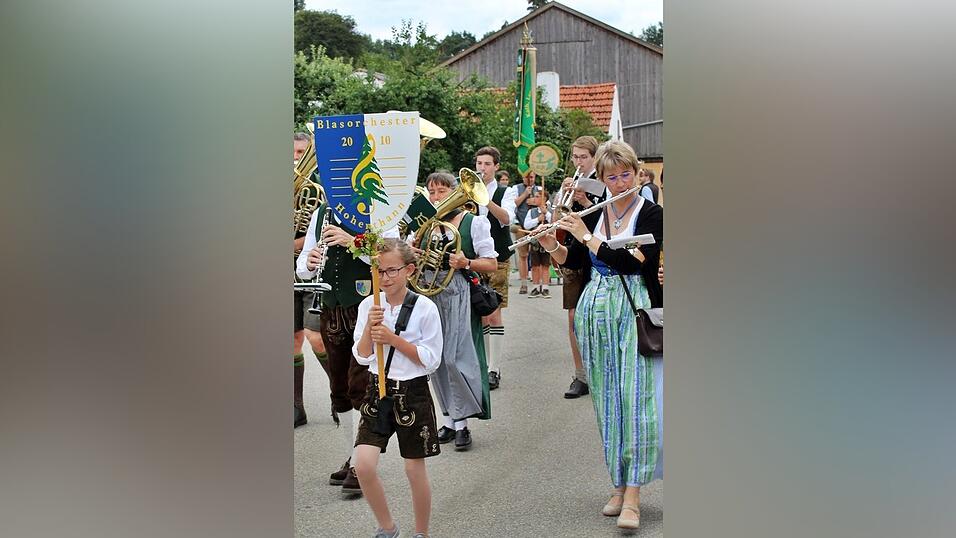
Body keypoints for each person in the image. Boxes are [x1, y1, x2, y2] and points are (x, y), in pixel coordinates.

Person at [538, 140, 663, 529]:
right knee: (607, 400)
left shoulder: (652, 214)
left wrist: (587, 235)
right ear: (603, 179)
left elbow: (630, 261)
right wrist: (550, 246)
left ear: (638, 174)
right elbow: (577, 261)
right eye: (613, 177)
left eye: (627, 174)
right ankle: (618, 483)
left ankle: (635, 495)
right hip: (596, 313)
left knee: (635, 398)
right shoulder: (596, 213)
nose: (621, 182)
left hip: (633, 309)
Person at [296, 202, 398, 496]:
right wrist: (311, 262)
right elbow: (302, 266)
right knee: (340, 385)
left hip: (366, 307)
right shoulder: (320, 213)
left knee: (361, 383)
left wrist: (351, 241)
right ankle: (353, 456)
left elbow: (391, 256)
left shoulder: (379, 209)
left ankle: (362, 464)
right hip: (331, 308)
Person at [352, 239, 444, 538]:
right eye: (379, 271)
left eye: (392, 270)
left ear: (409, 270)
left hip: (412, 392)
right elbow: (362, 354)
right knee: (363, 465)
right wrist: (370, 327)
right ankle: (387, 527)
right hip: (377, 389)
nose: (385, 277)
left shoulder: (425, 308)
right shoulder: (370, 304)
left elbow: (430, 360)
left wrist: (393, 340)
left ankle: (421, 532)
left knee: (413, 470)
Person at [414, 172, 497, 451]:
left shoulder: (475, 223)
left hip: (458, 292)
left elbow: (491, 264)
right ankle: (449, 420)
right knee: (435, 360)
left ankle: (463, 423)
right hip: (429, 293)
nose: (437, 197)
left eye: (442, 191)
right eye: (432, 192)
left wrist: (466, 262)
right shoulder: (425, 224)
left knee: (454, 357)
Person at [553, 135, 602, 398]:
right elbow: (557, 217)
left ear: (594, 157)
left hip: (595, 249)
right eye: (575, 157)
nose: (579, 162)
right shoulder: (571, 184)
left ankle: (599, 371)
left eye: (584, 157)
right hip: (573, 251)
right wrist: (564, 196)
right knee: (573, 316)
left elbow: (604, 219)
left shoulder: (601, 183)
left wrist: (584, 201)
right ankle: (580, 374)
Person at [292, 132, 329, 428]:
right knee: (290, 339)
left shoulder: (321, 190)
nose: (297, 158)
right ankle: (296, 406)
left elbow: (321, 228)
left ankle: (339, 394)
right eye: (293, 153)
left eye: (303, 152)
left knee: (315, 335)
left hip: (313, 266)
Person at [473, 146, 516, 391]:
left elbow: (506, 219)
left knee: (494, 312)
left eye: (487, 164)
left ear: (496, 167)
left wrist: (485, 200)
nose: (482, 168)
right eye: (479, 163)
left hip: (497, 258)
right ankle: (482, 364)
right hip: (473, 258)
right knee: (479, 313)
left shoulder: (504, 192)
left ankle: (494, 368)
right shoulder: (466, 191)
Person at [511, 169, 544, 295]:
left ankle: (539, 284)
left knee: (537, 255)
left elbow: (545, 204)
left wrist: (536, 201)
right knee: (523, 255)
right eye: (526, 177)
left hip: (534, 224)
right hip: (520, 225)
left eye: (531, 176)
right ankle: (524, 283)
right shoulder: (516, 188)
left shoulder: (540, 188)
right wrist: (525, 194)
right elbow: (513, 204)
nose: (528, 179)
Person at [523, 188, 552, 298]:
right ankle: (535, 287)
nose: (534, 199)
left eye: (537, 196)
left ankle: (545, 287)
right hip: (535, 242)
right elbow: (526, 225)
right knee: (535, 265)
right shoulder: (531, 212)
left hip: (547, 241)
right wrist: (538, 219)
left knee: (545, 265)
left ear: (544, 198)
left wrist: (546, 214)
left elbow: (554, 222)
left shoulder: (550, 210)